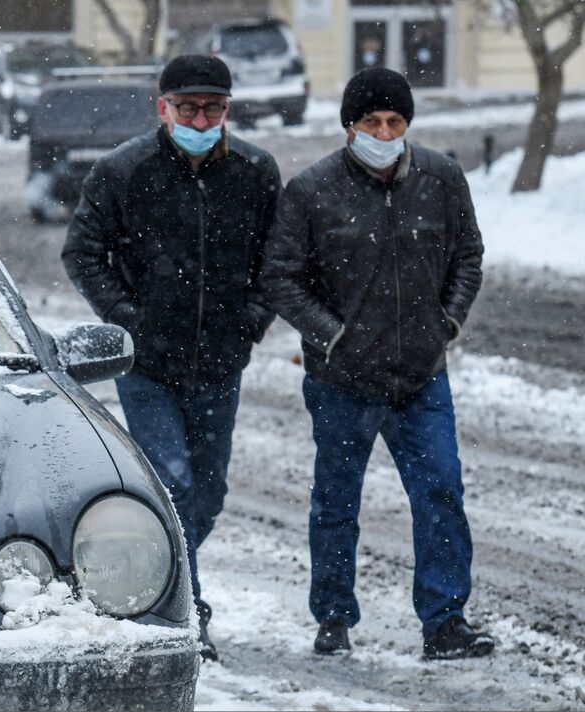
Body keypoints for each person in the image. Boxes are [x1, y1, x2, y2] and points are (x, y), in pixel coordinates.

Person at [262, 67, 492, 661]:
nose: (384, 132)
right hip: (343, 380)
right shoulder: (311, 191)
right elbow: (282, 279)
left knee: (440, 490)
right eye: (371, 121)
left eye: (394, 121)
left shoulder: (441, 178)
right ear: (349, 128)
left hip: (421, 376)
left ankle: (445, 621)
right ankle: (334, 616)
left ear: (407, 124)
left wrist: (448, 322)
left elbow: (468, 254)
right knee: (337, 501)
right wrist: (333, 336)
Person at [62, 55, 281, 662]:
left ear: (227, 110)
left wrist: (252, 321)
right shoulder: (124, 170)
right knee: (174, 486)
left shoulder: (256, 171)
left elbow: (277, 257)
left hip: (220, 360)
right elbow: (83, 251)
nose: (200, 118)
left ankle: (163, 576)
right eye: (187, 107)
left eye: (212, 107)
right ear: (163, 108)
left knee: (208, 493)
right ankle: (188, 612)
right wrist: (128, 318)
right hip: (148, 366)